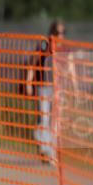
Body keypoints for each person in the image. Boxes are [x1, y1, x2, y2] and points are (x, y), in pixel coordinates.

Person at [27, 19, 66, 165]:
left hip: (58, 89)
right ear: (52, 32)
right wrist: (29, 82)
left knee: (55, 122)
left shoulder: (65, 49)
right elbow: (32, 63)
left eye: (63, 33)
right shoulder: (44, 45)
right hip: (44, 87)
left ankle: (52, 153)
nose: (60, 35)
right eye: (58, 32)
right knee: (44, 118)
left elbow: (70, 68)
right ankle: (44, 148)